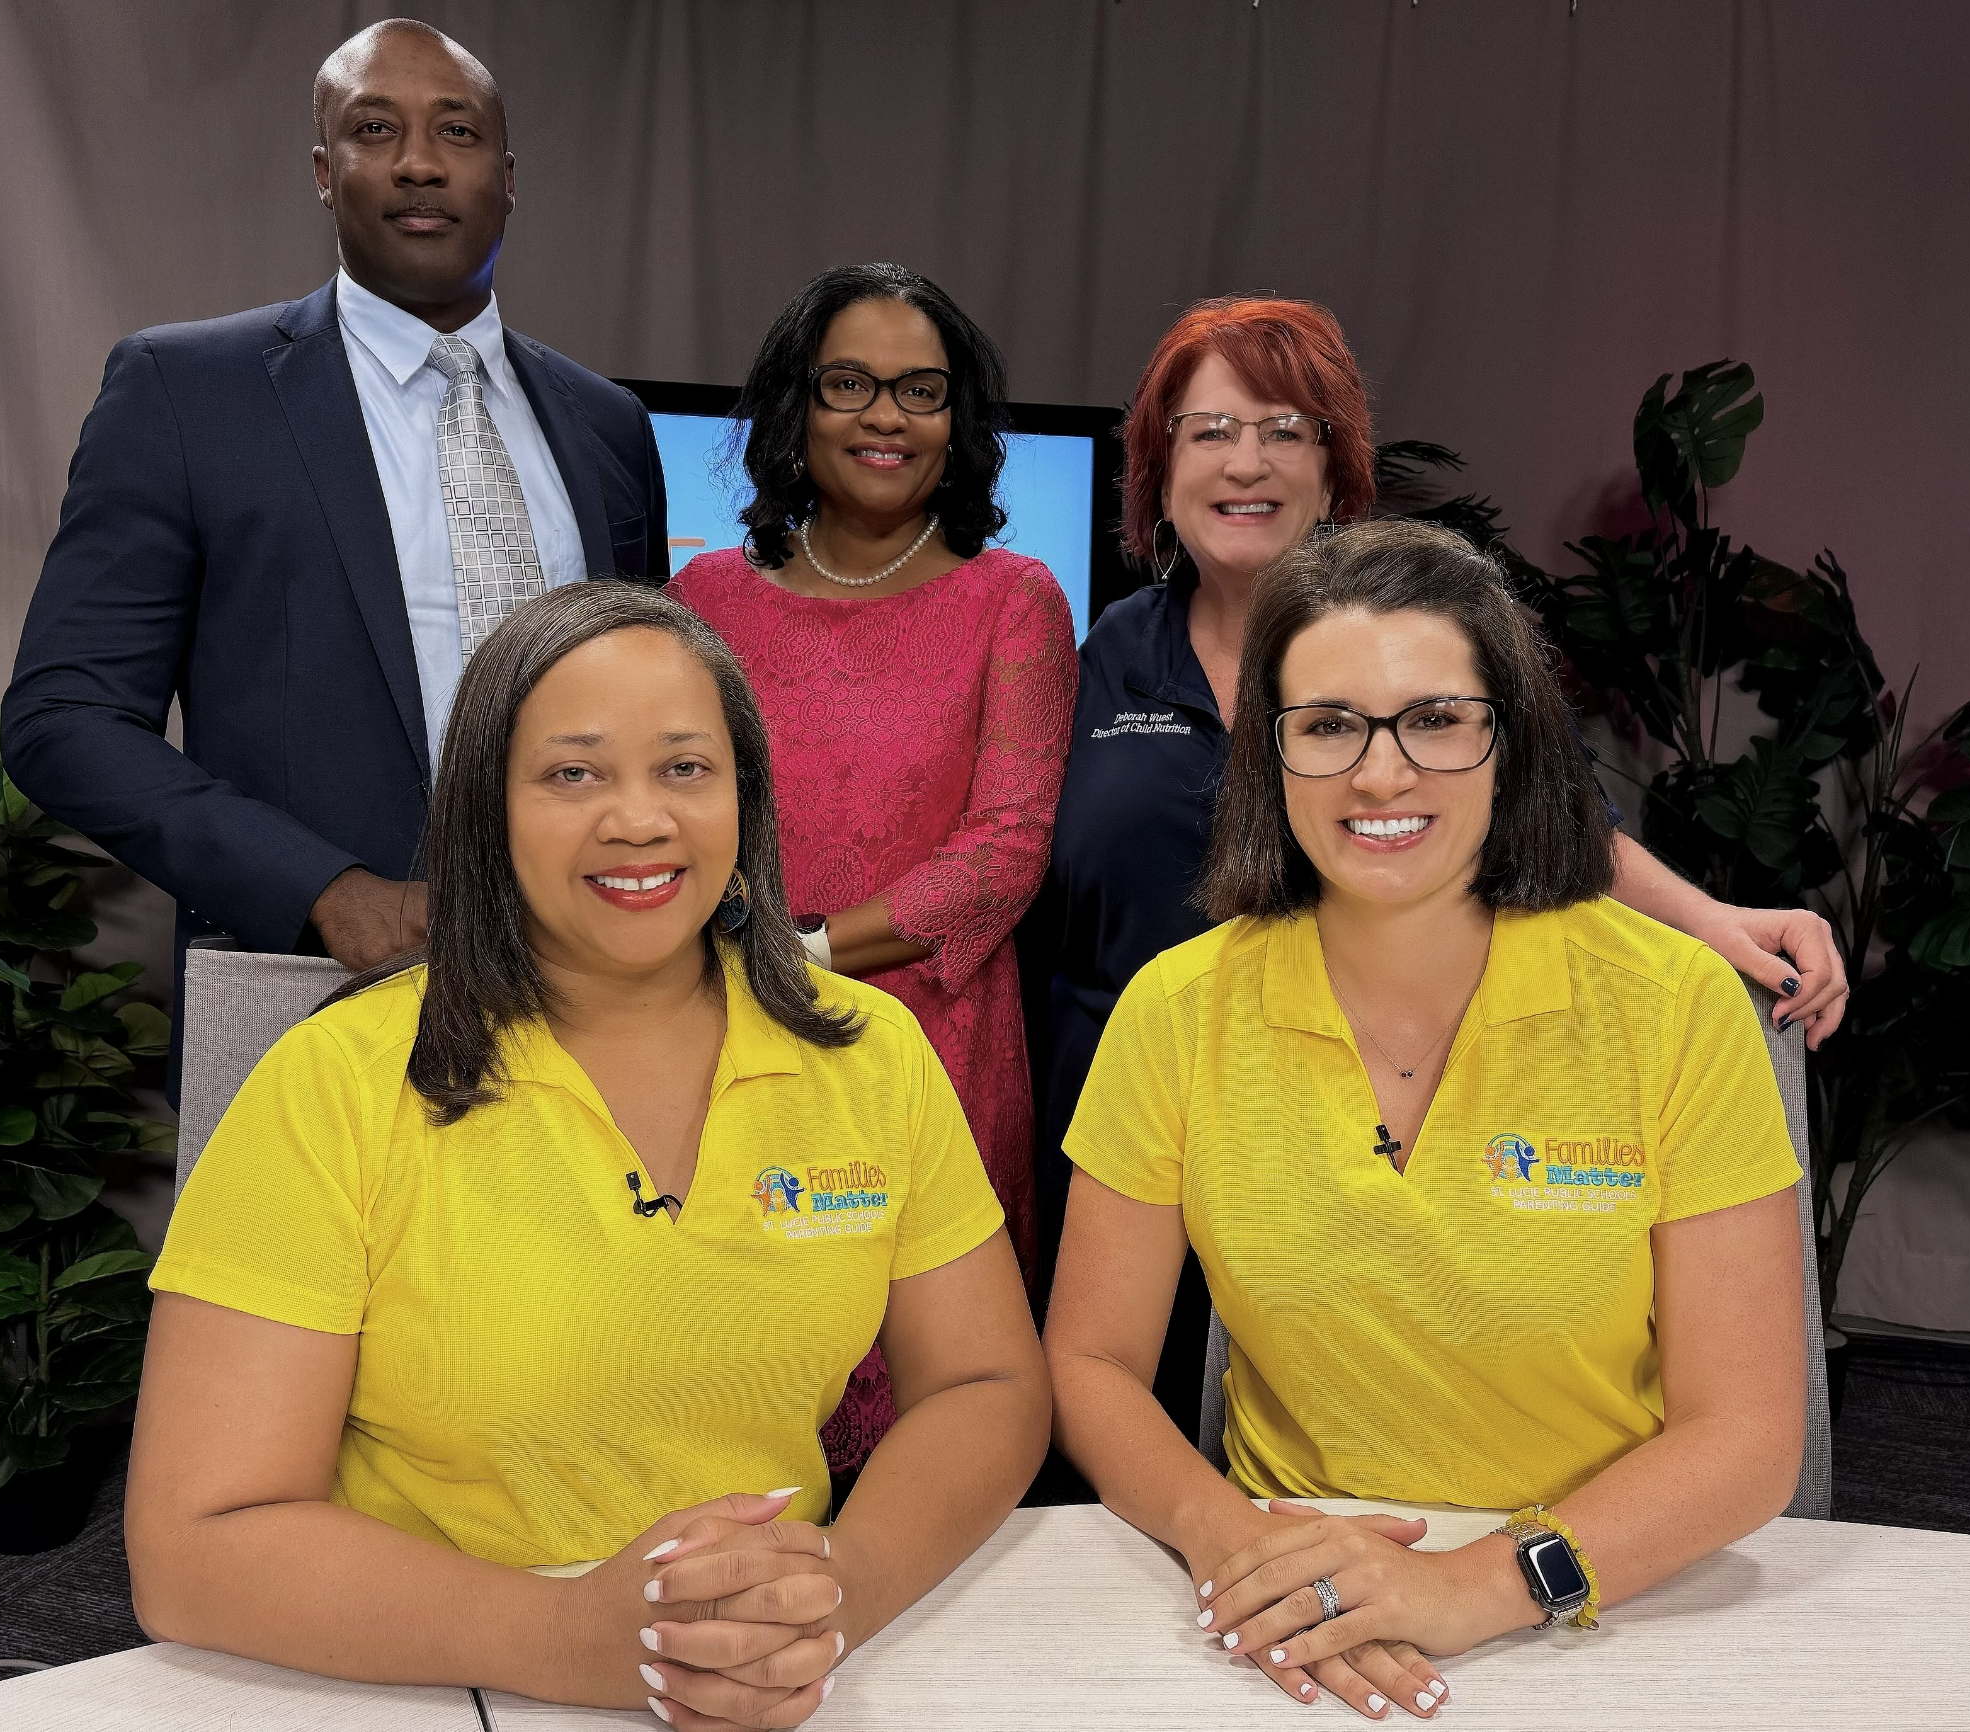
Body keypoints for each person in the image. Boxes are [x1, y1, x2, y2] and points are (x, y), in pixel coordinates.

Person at [128, 584, 1049, 1725]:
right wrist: (567, 1638)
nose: (639, 820)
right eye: (572, 773)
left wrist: (831, 1594)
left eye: (684, 768)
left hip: (774, 1673)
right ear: (487, 811)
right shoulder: (338, 1083)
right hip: (426, 1675)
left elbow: (988, 1385)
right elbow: (194, 1545)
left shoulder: (869, 1051)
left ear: (745, 798)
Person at [1045, 522, 1806, 1722]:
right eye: (1328, 723)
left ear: (1510, 743)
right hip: (1283, 1605)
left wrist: (1470, 1586)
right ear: (1271, 753)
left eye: (1436, 720)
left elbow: (1750, 1433)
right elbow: (1089, 1362)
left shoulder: (1671, 1005)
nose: (1381, 774)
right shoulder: (1176, 1009)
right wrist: (1231, 1541)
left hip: (1595, 1593)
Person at [1025, 295, 1846, 1403]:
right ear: (1156, 469)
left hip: (1337, 1109)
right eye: (1208, 430)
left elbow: (1544, 813)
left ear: (1335, 467)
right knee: (1118, 1429)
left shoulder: (1410, 634)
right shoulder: (1099, 654)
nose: (1244, 460)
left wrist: (1710, 922)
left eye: (1284, 427)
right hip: (1127, 1106)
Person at [2, 19, 668, 1062]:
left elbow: (648, 717)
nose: (416, 160)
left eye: (455, 130)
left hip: (593, 997)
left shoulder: (606, 426)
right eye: (373, 128)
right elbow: (64, 718)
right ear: (324, 170)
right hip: (310, 997)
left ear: (505, 173)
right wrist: (316, 888)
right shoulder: (186, 393)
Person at [668, 264, 1076, 1472]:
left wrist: (799, 956)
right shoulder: (706, 599)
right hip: (729, 1035)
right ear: (797, 408)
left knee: (930, 1414)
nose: (884, 416)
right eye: (849, 383)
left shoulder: (1015, 599)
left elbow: (1004, 855)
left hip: (934, 1045)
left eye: (921, 390)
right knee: (734, 1386)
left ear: (960, 426)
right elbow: (678, 804)